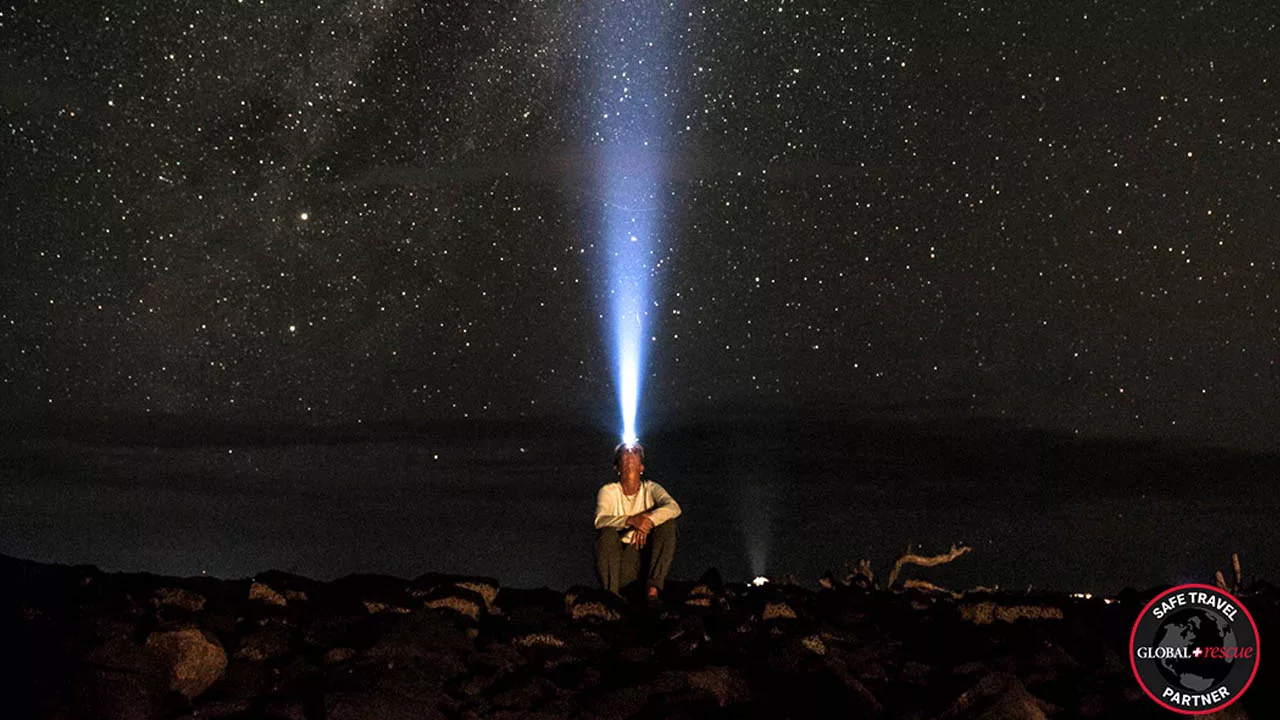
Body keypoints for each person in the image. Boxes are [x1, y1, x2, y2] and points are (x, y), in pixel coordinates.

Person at [594, 442, 681, 602]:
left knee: (668, 524)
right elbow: (600, 520)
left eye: (635, 451)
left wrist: (647, 521)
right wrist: (632, 521)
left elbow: (674, 508)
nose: (630, 453)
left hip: (643, 558)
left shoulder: (651, 488)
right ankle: (611, 597)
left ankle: (653, 589)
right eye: (625, 452)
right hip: (621, 561)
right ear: (617, 467)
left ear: (642, 467)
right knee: (606, 534)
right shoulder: (608, 491)